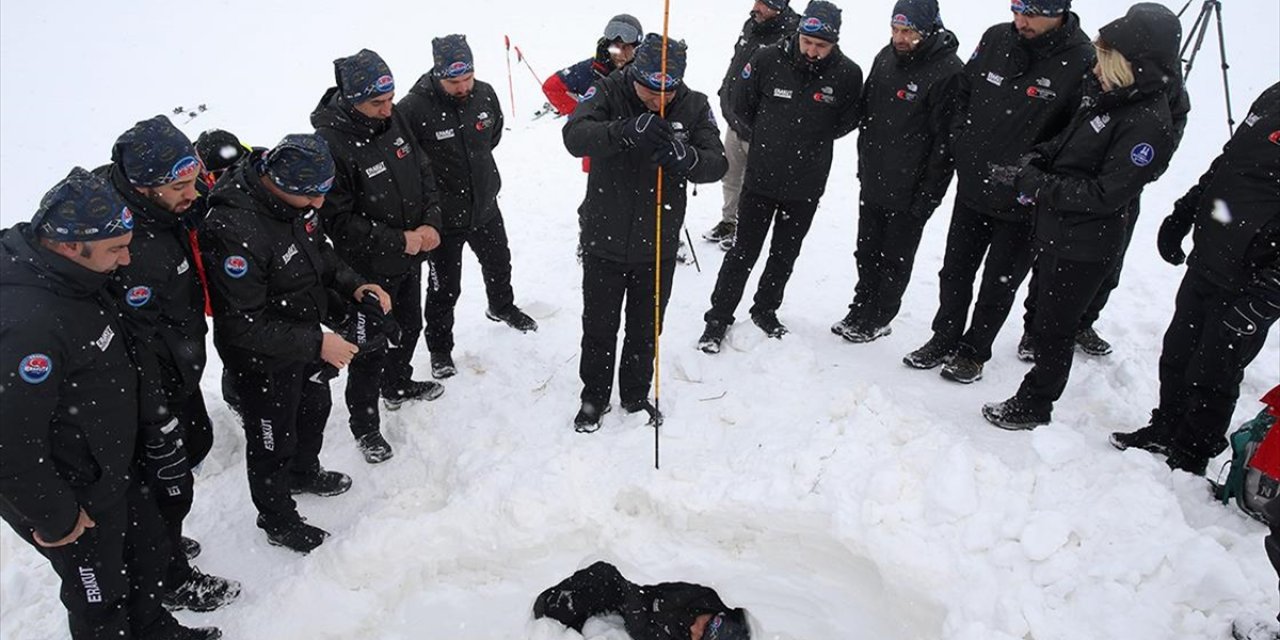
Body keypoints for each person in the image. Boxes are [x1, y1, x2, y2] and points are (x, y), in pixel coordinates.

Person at [0, 169, 220, 639]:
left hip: (116, 466)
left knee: (146, 557)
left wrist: (152, 423)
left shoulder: (79, 277)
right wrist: (57, 517)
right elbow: (9, 445)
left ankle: (155, 627)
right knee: (99, 597)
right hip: (74, 492)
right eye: (115, 249)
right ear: (66, 245)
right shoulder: (27, 327)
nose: (126, 260)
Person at [981, 3, 1181, 430]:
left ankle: (1035, 403)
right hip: (1059, 230)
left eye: (1106, 63)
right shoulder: (1112, 96)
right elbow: (1070, 142)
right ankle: (1035, 388)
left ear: (1132, 65)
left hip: (1087, 244)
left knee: (1056, 329)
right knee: (1046, 319)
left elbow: (1107, 193)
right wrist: (1036, 159)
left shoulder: (1148, 123)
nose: (1095, 71)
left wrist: (1038, 186)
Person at [202, 134, 390, 553]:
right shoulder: (233, 228)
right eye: (311, 197)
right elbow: (241, 326)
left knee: (314, 407)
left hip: (304, 336)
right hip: (261, 359)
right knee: (271, 439)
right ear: (278, 183)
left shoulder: (298, 203)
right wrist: (318, 343)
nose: (319, 206)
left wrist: (356, 285)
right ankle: (276, 518)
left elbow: (320, 253)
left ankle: (303, 472)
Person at [902, 0, 1093, 383]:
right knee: (954, 271)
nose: (1020, 21)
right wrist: (961, 141)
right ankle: (944, 336)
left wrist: (1033, 172)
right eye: (1016, 10)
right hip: (974, 183)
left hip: (1023, 200)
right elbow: (964, 91)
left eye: (1031, 14)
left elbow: (1074, 136)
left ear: (1059, 12)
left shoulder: (1081, 59)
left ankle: (974, 352)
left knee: (999, 283)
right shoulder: (995, 38)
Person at [100, 116, 240, 612]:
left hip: (178, 369)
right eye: (181, 186)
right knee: (165, 484)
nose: (193, 192)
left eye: (194, 179)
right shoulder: (122, 245)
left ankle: (160, 546)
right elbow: (130, 346)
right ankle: (168, 578)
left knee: (193, 448)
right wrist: (155, 418)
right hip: (143, 393)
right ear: (143, 186)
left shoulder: (164, 208)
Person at [1109, 81, 1280, 474]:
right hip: (1210, 255)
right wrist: (1185, 210)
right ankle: (1167, 426)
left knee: (1215, 368)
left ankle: (1193, 452)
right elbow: (1228, 163)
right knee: (1178, 352)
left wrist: (1269, 294)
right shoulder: (1273, 95)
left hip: (1253, 278)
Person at [563, 33, 728, 431]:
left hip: (657, 239)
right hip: (605, 232)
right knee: (599, 324)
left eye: (666, 93)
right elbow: (574, 135)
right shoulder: (608, 90)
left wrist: (685, 157)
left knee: (645, 326)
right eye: (649, 91)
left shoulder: (693, 104)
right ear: (635, 74)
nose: (658, 101)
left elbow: (716, 163)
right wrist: (622, 131)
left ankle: (635, 394)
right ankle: (594, 396)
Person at [698, 0, 862, 352]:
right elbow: (740, 105)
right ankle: (718, 318)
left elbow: (846, 121)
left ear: (834, 44)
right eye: (808, 42)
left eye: (821, 46)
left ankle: (765, 310)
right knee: (743, 251)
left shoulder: (848, 74)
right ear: (799, 33)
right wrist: (767, 137)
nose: (813, 52)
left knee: (784, 255)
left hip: (806, 183)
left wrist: (809, 138)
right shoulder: (767, 59)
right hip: (761, 178)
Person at [311, 48, 444, 464]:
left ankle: (398, 383)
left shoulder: (393, 117)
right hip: (366, 268)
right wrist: (397, 239)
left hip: (409, 254)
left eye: (390, 99)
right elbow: (337, 220)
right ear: (352, 101)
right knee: (370, 346)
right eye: (376, 103)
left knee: (409, 324)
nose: (387, 110)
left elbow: (423, 171)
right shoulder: (330, 144)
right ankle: (365, 426)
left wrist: (431, 222)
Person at [398, 35, 538, 381]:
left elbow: (493, 136)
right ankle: (440, 348)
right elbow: (405, 163)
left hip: (485, 204)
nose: (462, 87)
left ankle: (501, 306)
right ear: (437, 74)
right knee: (445, 286)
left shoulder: (485, 93)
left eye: (467, 79)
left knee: (498, 261)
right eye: (453, 81)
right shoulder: (412, 108)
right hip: (442, 217)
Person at [830, 0, 962, 343]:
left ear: (929, 30)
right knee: (867, 249)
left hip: (912, 187)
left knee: (894, 257)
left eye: (909, 32)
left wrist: (929, 195)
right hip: (875, 176)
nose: (900, 38)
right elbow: (868, 112)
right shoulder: (885, 57)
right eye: (895, 29)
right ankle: (861, 304)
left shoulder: (947, 71)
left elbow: (945, 144)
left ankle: (880, 315)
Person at [703, 0, 801, 251]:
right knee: (731, 175)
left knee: (753, 183)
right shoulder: (751, 25)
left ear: (777, 6)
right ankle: (729, 222)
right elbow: (737, 62)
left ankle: (745, 229)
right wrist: (726, 91)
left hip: (763, 128)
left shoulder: (792, 36)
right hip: (735, 119)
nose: (755, 6)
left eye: (763, 3)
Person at [533, 561, 751, 640]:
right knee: (593, 570)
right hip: (631, 572)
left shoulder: (682, 634)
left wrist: (635, 611)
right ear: (716, 616)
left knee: (561, 612)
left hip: (625, 597)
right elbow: (658, 573)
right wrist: (637, 594)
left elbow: (643, 632)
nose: (695, 631)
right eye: (703, 628)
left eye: (700, 639)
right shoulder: (701, 595)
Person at [543, 14, 644, 118]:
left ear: (636, 49)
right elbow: (552, 87)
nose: (620, 54)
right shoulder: (591, 69)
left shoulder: (645, 71)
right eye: (615, 47)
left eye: (626, 48)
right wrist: (581, 114)